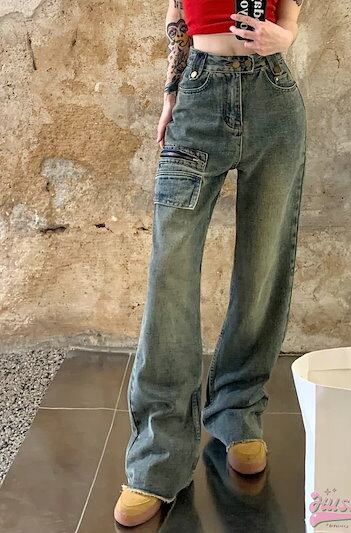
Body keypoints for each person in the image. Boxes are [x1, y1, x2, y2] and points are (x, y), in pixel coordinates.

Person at [114, 0, 306, 526]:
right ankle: (157, 456)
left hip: (273, 99)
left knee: (263, 267)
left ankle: (237, 411)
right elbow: (178, 12)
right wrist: (172, 92)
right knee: (170, 278)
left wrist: (287, 31)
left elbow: (288, 10)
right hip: (198, 97)